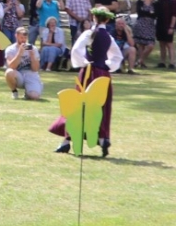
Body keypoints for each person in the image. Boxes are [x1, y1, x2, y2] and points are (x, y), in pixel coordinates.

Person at [50, 9, 123, 156]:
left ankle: (67, 140)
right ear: (107, 20)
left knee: (79, 105)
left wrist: (84, 62)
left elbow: (76, 50)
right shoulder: (108, 36)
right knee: (101, 106)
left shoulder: (89, 33)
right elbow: (117, 56)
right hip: (104, 75)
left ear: (94, 17)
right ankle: (103, 138)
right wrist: (106, 65)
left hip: (89, 73)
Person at [4, 26, 43, 99]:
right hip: (19, 75)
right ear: (16, 36)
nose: (23, 40)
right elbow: (12, 66)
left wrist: (32, 55)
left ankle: (32, 90)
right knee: (9, 72)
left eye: (25, 38)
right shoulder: (10, 49)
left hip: (31, 75)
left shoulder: (33, 48)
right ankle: (14, 92)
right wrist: (19, 53)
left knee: (34, 97)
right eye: (21, 38)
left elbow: (35, 69)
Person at [153, 0, 176, 68]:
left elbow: (175, 15)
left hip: (168, 25)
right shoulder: (158, 1)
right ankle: (162, 61)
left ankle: (172, 62)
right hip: (160, 25)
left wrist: (172, 27)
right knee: (162, 43)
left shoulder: (172, 1)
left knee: (169, 44)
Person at [131, 0, 157, 69]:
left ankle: (140, 60)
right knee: (141, 45)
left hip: (150, 25)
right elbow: (140, 12)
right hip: (141, 24)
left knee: (150, 45)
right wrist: (149, 13)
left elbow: (155, 14)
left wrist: (147, 13)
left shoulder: (155, 3)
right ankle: (142, 63)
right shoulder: (140, 2)